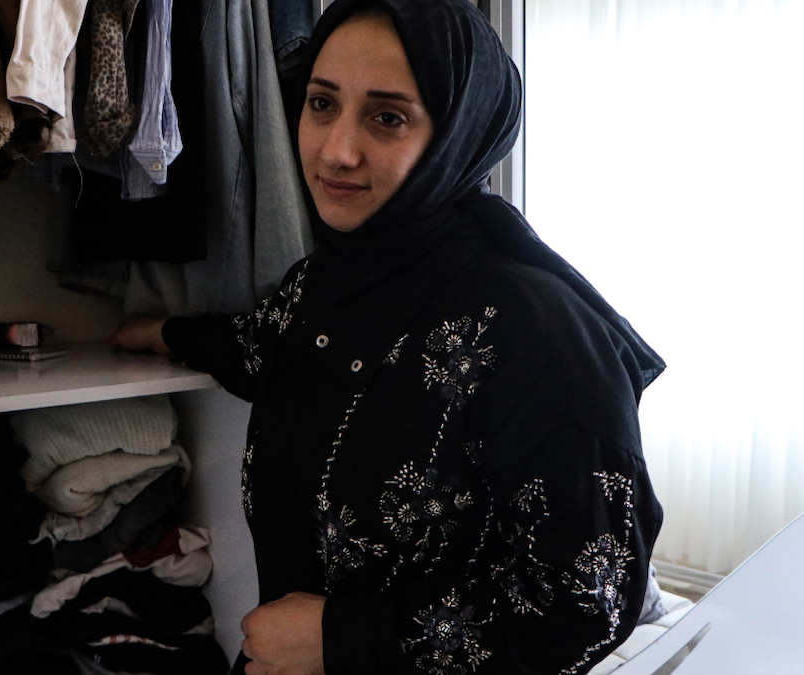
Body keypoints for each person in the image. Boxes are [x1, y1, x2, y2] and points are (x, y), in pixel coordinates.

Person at [111, 0, 666, 673]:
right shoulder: (320, 285)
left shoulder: (542, 335)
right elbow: (259, 346)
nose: (336, 150)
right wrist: (157, 332)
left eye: (388, 117)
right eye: (322, 104)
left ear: (458, 132)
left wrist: (341, 639)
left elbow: (584, 602)